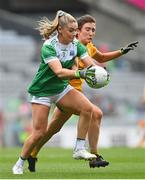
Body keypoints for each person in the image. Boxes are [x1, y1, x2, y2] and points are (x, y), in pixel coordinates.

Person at [26, 14, 139, 172]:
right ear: (77, 31)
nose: (91, 33)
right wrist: (80, 71)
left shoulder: (89, 46)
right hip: (66, 92)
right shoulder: (72, 46)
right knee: (95, 113)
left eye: (93, 30)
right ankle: (94, 156)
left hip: (74, 93)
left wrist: (121, 52)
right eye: (88, 29)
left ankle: (32, 153)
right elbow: (70, 67)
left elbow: (101, 57)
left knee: (52, 129)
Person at [12, 10, 101, 175]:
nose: (75, 34)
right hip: (43, 91)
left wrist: (99, 74)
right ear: (60, 29)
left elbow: (89, 64)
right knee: (39, 133)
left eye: (76, 30)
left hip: (61, 89)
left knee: (88, 109)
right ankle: (19, 162)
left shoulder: (76, 45)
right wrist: (80, 73)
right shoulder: (49, 46)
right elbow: (59, 72)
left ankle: (79, 149)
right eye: (71, 30)